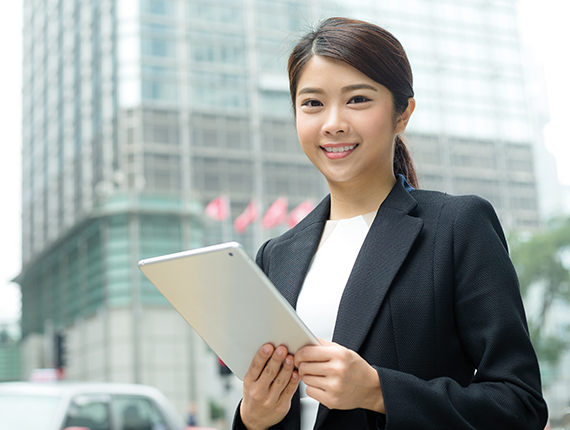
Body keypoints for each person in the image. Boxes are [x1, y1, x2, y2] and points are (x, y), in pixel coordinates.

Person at [232, 17, 548, 430]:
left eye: (358, 99)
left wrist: (378, 391)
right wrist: (252, 417)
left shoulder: (456, 228)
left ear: (403, 114)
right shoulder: (277, 255)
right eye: (312, 103)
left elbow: (519, 405)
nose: (333, 123)